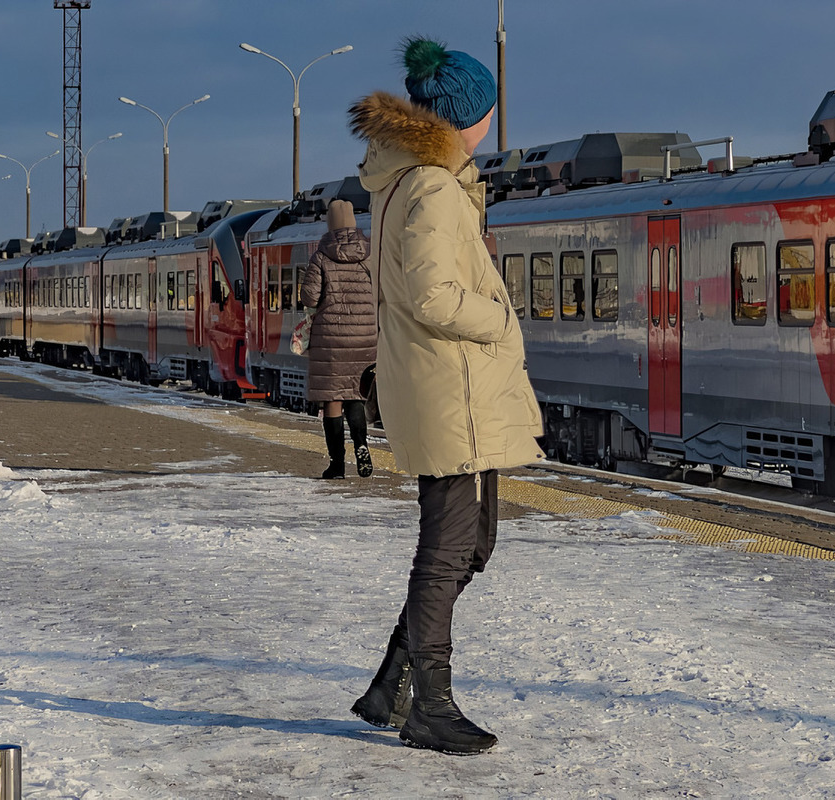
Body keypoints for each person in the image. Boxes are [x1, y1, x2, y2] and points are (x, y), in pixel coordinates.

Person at [346, 37, 545, 754]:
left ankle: (391, 685)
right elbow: (433, 294)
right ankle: (428, 703)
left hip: (455, 386)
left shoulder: (423, 179)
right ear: (470, 116)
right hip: (450, 385)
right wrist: (500, 317)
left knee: (472, 543)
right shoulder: (431, 185)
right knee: (450, 547)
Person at [300, 198, 376, 480]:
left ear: (330, 225)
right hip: (365, 338)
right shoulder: (370, 255)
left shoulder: (321, 256)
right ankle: (362, 446)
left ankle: (337, 465)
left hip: (331, 341)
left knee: (333, 401)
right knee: (356, 397)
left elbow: (309, 297)